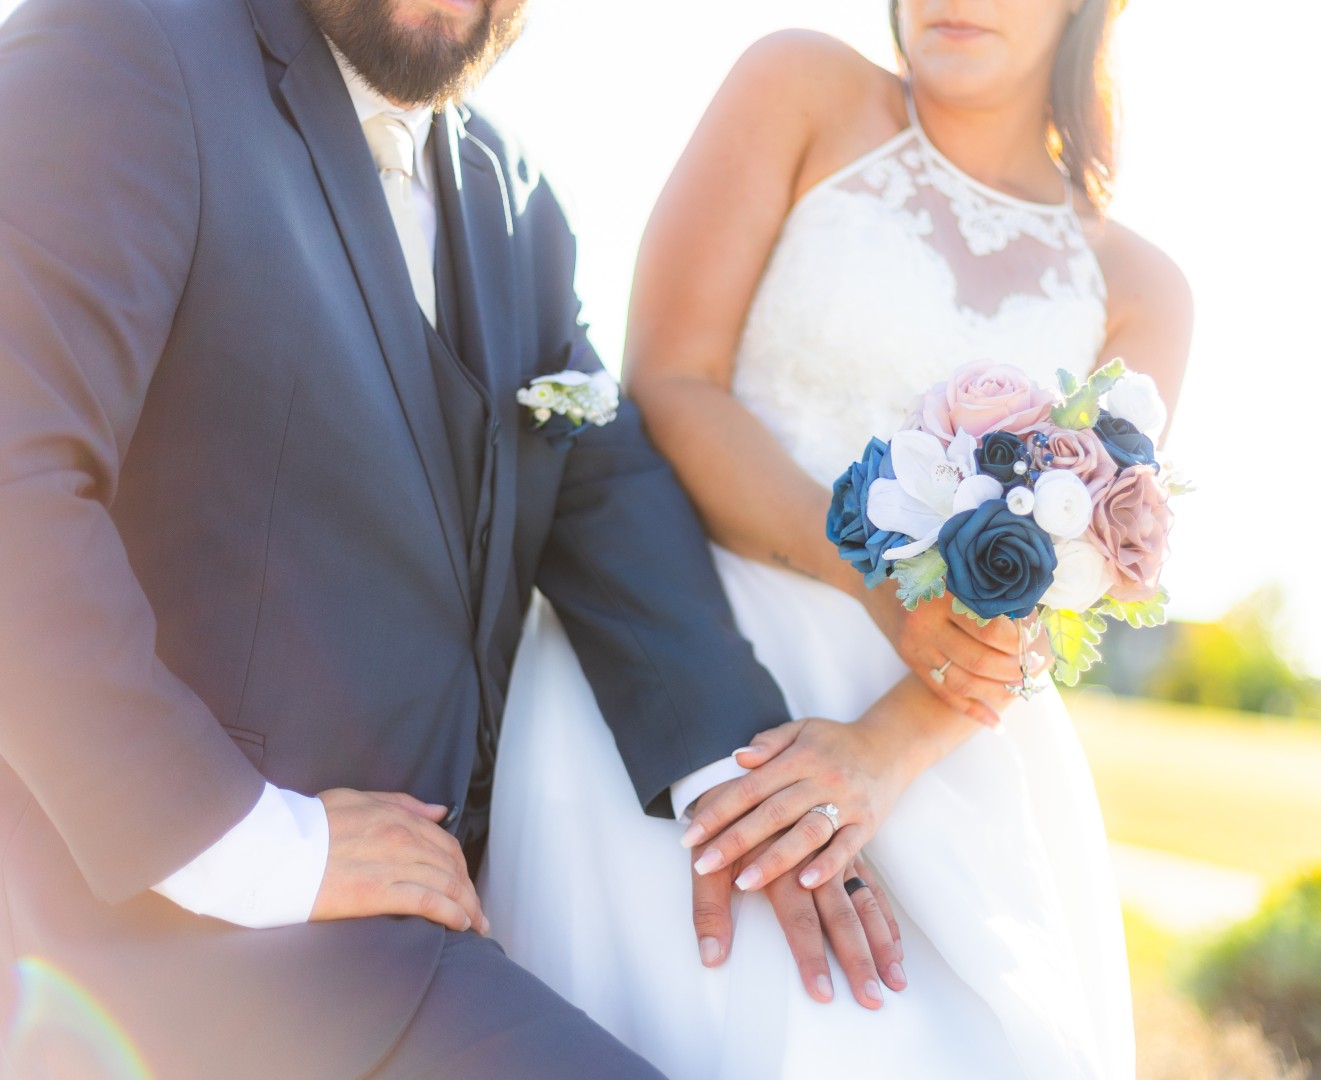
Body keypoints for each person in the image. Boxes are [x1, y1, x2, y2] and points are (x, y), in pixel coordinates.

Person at [0, 0, 894, 1074]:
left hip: (435, 925)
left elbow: (604, 495)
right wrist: (245, 846)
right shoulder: (126, 48)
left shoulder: (519, 201)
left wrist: (743, 794)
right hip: (166, 954)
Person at [483, 0, 1192, 1077]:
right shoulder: (800, 88)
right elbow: (670, 381)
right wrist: (870, 581)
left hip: (940, 729)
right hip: (682, 650)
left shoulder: (1145, 290)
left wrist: (884, 751)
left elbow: (1068, 590)